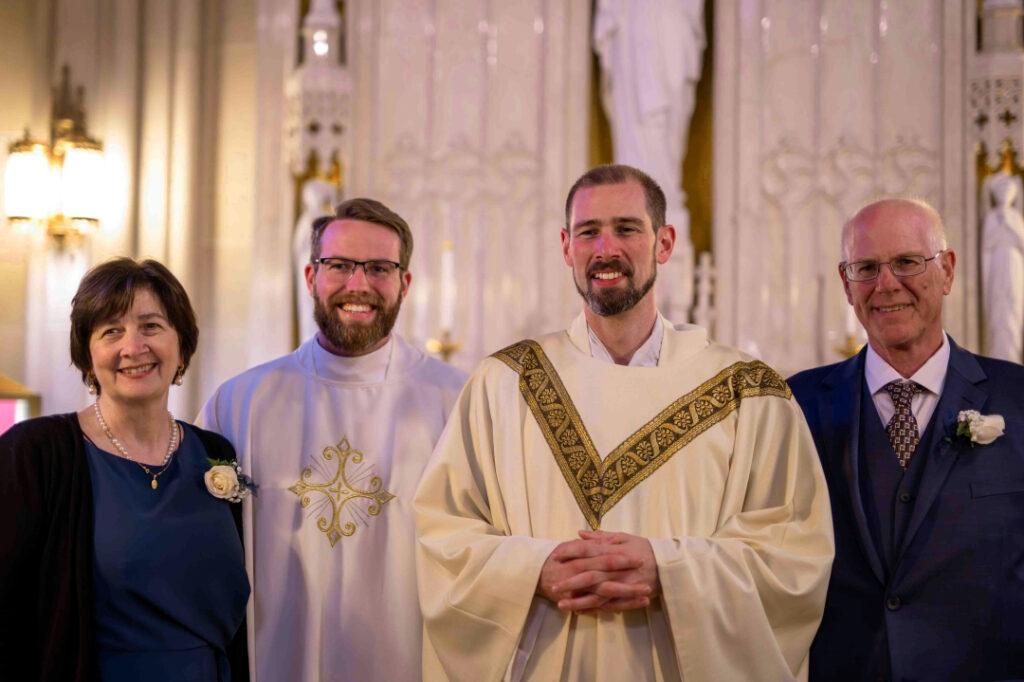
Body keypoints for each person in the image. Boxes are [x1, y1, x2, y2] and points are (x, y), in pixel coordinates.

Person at [414, 164, 834, 681]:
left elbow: (794, 556)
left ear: (664, 242)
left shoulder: (749, 392)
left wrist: (671, 571)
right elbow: (443, 534)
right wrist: (530, 571)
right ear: (567, 247)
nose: (605, 249)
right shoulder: (504, 384)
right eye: (588, 232)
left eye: (627, 228)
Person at [198, 197, 467, 681]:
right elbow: (200, 551)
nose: (357, 284)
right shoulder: (241, 402)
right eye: (339, 265)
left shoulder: (458, 402)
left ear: (404, 284)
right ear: (310, 277)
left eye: (379, 268)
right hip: (275, 657)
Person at [788, 198, 1024, 681]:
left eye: (907, 262)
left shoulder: (1019, 399)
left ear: (947, 271)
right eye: (866, 268)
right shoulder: (796, 404)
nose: (886, 284)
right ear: (846, 285)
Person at [0, 258, 250, 682]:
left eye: (151, 326)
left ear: (182, 345)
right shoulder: (36, 453)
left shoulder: (215, 453)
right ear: (87, 353)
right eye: (111, 331)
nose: (134, 347)